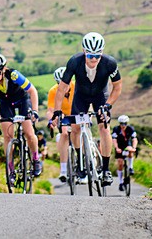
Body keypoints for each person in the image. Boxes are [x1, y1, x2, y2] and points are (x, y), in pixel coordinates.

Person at [50, 32, 122, 187]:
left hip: (101, 97)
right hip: (81, 97)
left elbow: (117, 87)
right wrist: (57, 111)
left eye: (97, 55)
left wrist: (108, 105)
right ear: (84, 51)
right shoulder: (74, 62)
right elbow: (62, 89)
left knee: (104, 128)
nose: (94, 59)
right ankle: (80, 162)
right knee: (75, 129)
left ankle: (105, 170)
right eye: (90, 55)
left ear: (102, 52)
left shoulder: (110, 63)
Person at [0, 53, 43, 177]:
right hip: (6, 103)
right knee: (7, 136)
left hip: (22, 100)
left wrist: (35, 110)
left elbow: (32, 91)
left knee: (29, 132)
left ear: (4, 70)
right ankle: (10, 168)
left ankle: (36, 159)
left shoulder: (14, 75)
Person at [46, 66, 80, 183]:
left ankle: (85, 160)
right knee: (64, 134)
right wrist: (51, 120)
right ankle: (64, 170)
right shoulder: (53, 91)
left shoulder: (77, 86)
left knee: (80, 132)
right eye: (59, 83)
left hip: (78, 113)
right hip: (65, 116)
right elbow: (50, 110)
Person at [112, 114, 138, 191]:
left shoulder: (130, 129)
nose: (123, 125)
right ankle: (120, 182)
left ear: (127, 123)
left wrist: (134, 147)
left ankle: (130, 167)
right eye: (121, 124)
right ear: (119, 123)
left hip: (127, 146)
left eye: (125, 124)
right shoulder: (116, 129)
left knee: (130, 150)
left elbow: (134, 139)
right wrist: (116, 148)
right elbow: (114, 139)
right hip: (119, 147)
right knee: (120, 163)